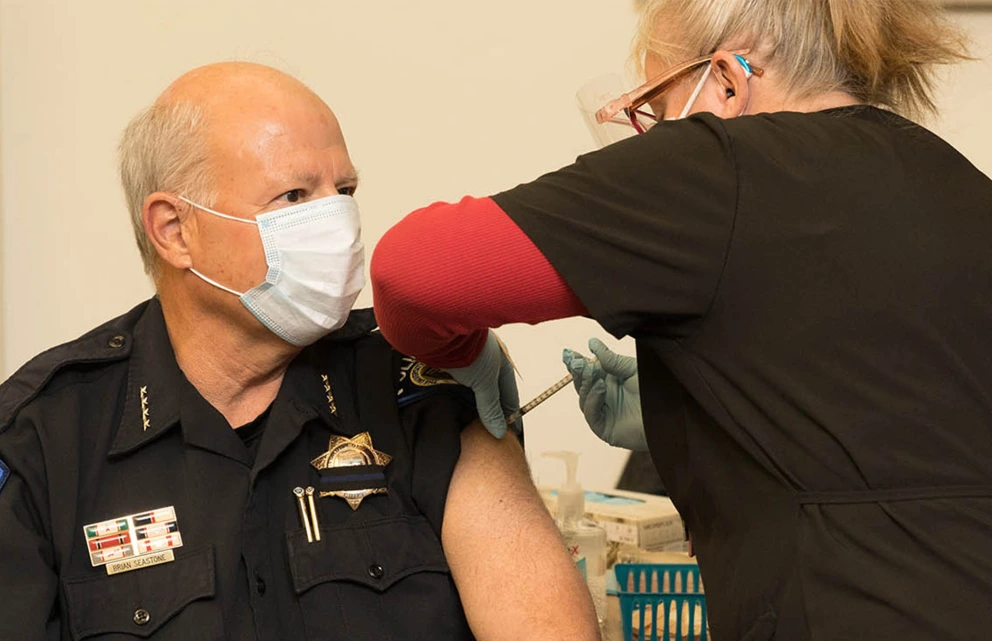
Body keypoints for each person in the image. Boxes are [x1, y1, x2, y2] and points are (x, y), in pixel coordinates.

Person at [0, 63, 599, 641]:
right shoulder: (39, 444)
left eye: (344, 190)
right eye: (294, 196)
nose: (339, 222)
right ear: (174, 231)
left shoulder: (417, 387)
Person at [371, 0, 992, 639]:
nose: (654, 138)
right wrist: (711, 423)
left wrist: (465, 354)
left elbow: (412, 274)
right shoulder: (960, 184)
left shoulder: (720, 164)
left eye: (658, 112)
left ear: (726, 81)